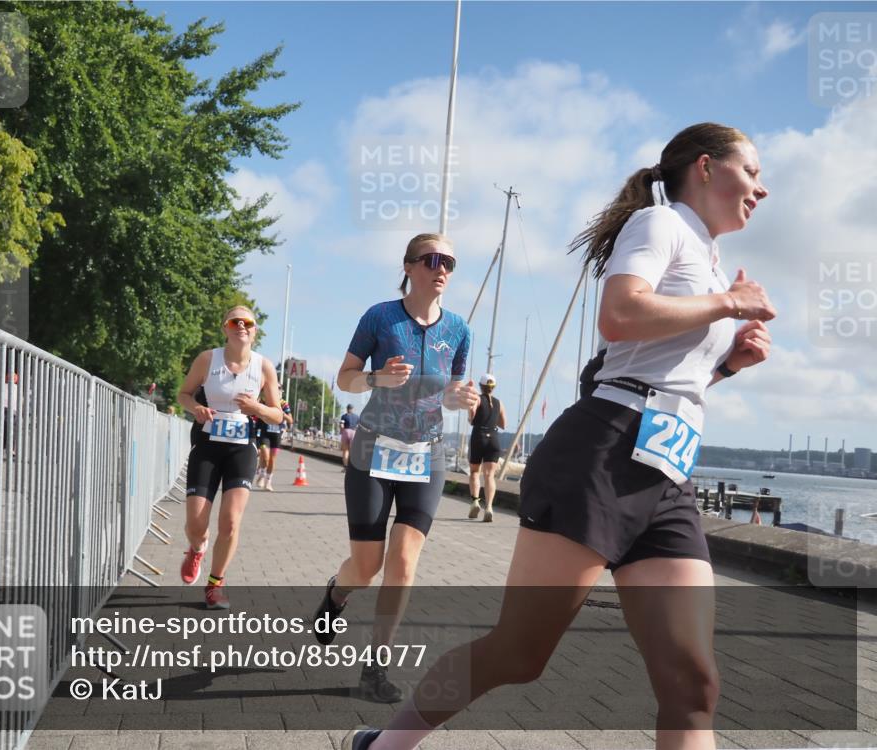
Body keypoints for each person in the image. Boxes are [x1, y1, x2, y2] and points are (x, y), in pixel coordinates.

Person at [343, 123, 775, 749]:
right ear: (705, 167)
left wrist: (727, 364)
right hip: (602, 457)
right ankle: (384, 745)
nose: (761, 190)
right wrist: (728, 306)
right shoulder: (661, 226)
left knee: (693, 684)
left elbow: (659, 375)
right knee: (517, 655)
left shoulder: (709, 259)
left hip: (668, 473)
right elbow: (619, 315)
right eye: (752, 172)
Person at [314, 232, 479, 703]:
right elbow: (344, 377)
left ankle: (376, 666)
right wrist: (374, 378)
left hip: (426, 454)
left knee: (404, 563)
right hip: (373, 450)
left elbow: (449, 392)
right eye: (431, 259)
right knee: (367, 567)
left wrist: (463, 398)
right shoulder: (380, 317)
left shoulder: (459, 330)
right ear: (408, 267)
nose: (441, 268)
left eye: (449, 261)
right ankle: (336, 595)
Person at [177, 306, 283, 609]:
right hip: (208, 444)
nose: (242, 326)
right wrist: (194, 408)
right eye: (235, 321)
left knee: (230, 522)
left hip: (242, 447)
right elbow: (183, 394)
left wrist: (258, 409)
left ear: (255, 331)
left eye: (248, 323)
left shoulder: (263, 367)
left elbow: (277, 414)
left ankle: (215, 584)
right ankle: (197, 548)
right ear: (225, 328)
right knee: (196, 524)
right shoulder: (208, 359)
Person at [467, 373, 507, 523]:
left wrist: (473, 417)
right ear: (493, 387)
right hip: (494, 439)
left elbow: (472, 419)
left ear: (481, 386)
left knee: (474, 472)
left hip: (479, 436)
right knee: (489, 476)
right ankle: (489, 507)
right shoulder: (499, 403)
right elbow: (503, 424)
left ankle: (475, 502)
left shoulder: (476, 399)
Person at [254, 398, 293, 490]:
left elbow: (290, 420)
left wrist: (282, 414)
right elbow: (256, 416)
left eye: (279, 388)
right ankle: (262, 475)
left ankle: (268, 482)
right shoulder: (264, 401)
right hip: (264, 433)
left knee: (272, 460)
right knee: (266, 457)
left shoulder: (283, 404)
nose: (278, 390)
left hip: (276, 434)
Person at [339, 403, 360, 470]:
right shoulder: (357, 417)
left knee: (345, 451)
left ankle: (345, 467)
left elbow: (342, 426)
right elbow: (358, 426)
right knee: (352, 451)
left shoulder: (344, 416)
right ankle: (352, 467)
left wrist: (341, 432)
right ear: (352, 409)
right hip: (353, 432)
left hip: (346, 431)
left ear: (347, 409)